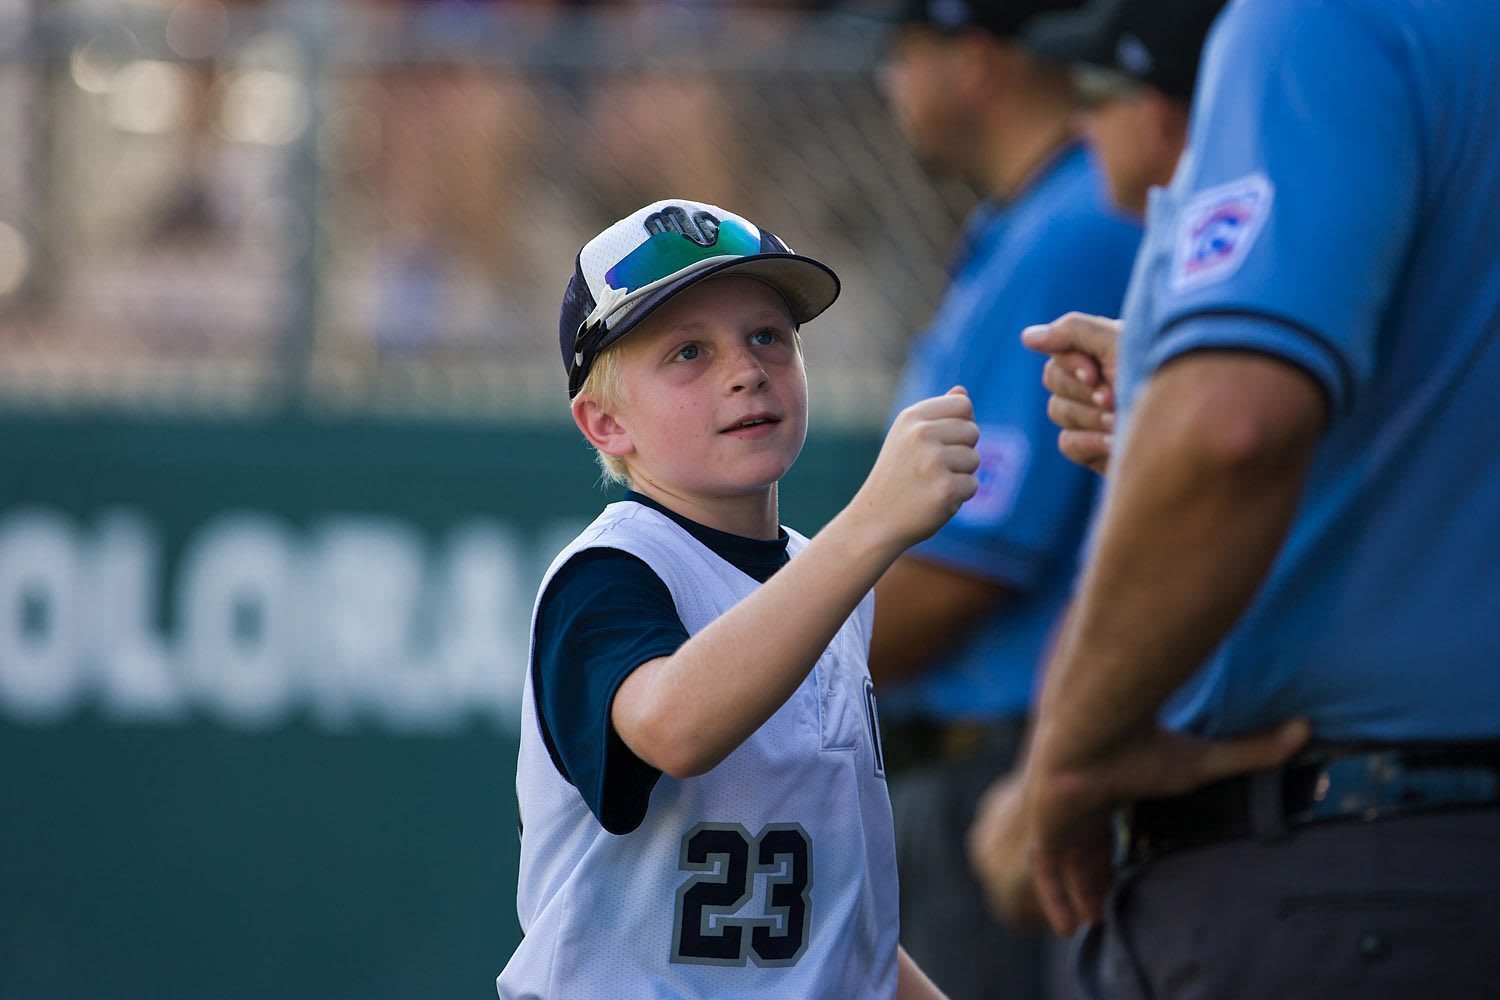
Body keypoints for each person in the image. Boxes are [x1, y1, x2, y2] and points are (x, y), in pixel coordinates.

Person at [1010, 0, 1500, 995]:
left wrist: (1064, 757)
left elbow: (1230, 434)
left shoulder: (1323, 17)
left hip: (1354, 870)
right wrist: (1169, 391)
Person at [496, 198, 974, 998]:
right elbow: (672, 728)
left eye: (768, 336)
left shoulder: (825, 579)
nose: (747, 369)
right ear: (605, 422)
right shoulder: (613, 570)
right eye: (688, 352)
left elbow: (838, 926)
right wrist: (873, 525)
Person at [871, 2, 1139, 996]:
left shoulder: (1072, 225)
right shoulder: (1026, 219)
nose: (887, 79)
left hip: (1009, 773)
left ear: (974, 62)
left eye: (903, 49)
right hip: (990, 770)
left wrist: (763, 671)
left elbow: (959, 572)